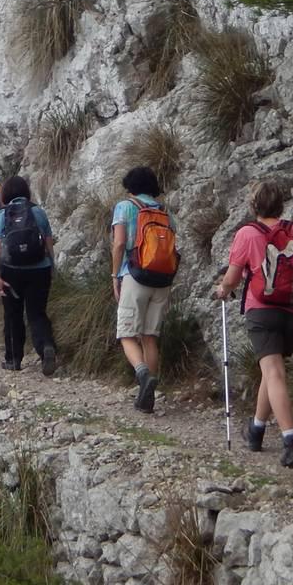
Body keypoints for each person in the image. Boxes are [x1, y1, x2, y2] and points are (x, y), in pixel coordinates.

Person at [213, 179, 293, 467]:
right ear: (281, 205)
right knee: (271, 369)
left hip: (262, 311)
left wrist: (223, 290)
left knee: (273, 371)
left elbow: (232, 278)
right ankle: (256, 430)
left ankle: (291, 441)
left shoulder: (247, 234)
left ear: (254, 206)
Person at [111, 166, 176, 414]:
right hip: (162, 279)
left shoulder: (125, 207)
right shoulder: (164, 211)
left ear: (130, 186)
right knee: (150, 336)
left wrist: (115, 275)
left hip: (134, 275)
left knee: (127, 334)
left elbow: (119, 243)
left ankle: (142, 374)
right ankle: (147, 397)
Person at [0, 175, 57, 374]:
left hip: (11, 270)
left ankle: (13, 359)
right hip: (39, 269)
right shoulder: (38, 212)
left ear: (5, 194)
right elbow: (48, 241)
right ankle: (46, 347)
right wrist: (51, 264)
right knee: (37, 312)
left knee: (13, 314)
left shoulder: (3, 214)